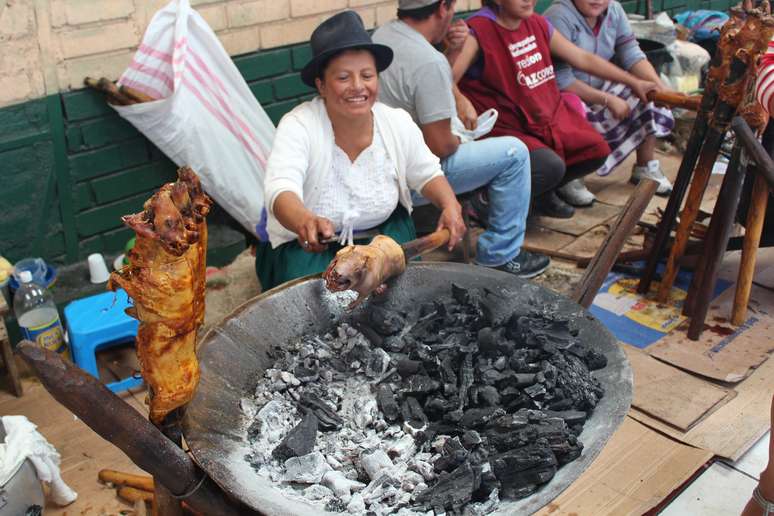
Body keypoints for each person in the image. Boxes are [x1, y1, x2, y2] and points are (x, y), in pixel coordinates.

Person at [256, 11, 466, 291]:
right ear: (321, 85)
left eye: (367, 75)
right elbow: (280, 189)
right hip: (312, 252)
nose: (358, 87)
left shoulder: (395, 122)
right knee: (315, 309)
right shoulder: (299, 126)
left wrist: (450, 205)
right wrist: (305, 220)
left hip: (382, 242)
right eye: (343, 77)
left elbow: (427, 173)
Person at [373, 0, 551, 276]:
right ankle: (500, 256)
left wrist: (451, 57)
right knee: (515, 153)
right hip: (408, 180)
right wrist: (461, 137)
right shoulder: (428, 61)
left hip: (376, 165)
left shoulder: (383, 35)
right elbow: (440, 147)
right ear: (443, 7)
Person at [450, 0, 659, 218]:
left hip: (543, 116)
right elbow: (445, 78)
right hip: (507, 126)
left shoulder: (537, 23)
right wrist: (460, 98)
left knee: (595, 150)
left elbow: (582, 58)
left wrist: (634, 82)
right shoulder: (478, 31)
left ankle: (538, 194)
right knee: (549, 167)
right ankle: (483, 201)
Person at [545, 0, 675, 206]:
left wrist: (659, 89)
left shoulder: (613, 10)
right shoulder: (558, 16)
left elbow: (631, 53)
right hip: (565, 92)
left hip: (601, 84)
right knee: (573, 107)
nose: (597, 0)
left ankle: (645, 166)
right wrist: (606, 99)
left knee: (646, 92)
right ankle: (572, 175)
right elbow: (561, 79)